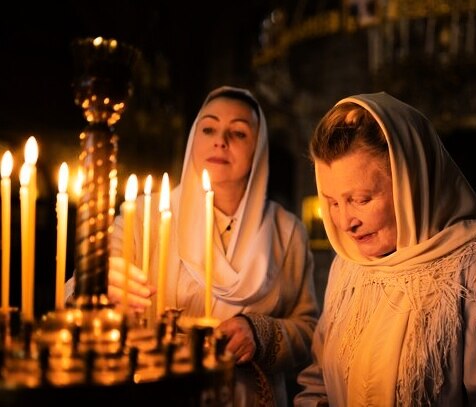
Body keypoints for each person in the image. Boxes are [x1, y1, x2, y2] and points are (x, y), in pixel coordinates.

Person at [294, 92, 476, 406]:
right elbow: (319, 383)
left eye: (361, 199)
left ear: (412, 183)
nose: (344, 222)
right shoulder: (349, 266)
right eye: (332, 202)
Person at [66, 86, 319, 406]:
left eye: (238, 133)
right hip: (160, 391)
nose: (220, 140)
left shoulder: (287, 231)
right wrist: (101, 287)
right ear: (193, 139)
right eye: (209, 128)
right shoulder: (145, 217)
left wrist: (260, 333)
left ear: (259, 148)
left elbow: (310, 328)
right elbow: (77, 293)